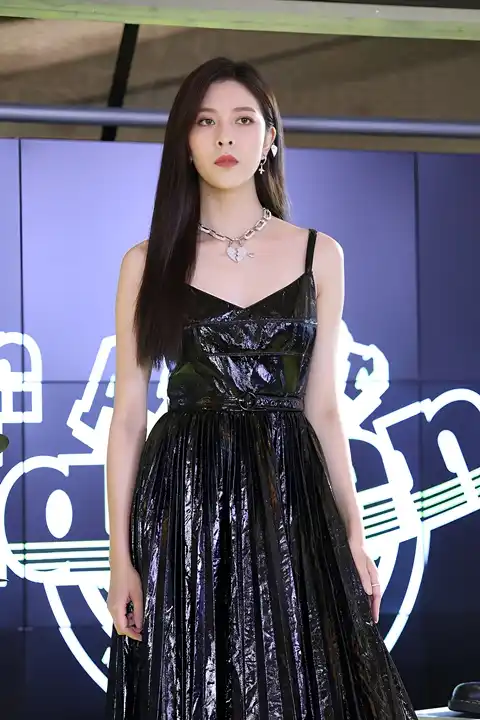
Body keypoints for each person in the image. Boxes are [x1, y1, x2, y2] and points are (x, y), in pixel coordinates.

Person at [105, 56, 417, 719]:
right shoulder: (146, 262)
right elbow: (129, 416)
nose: (226, 137)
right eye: (206, 122)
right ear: (184, 142)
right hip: (185, 501)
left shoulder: (319, 254)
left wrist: (354, 531)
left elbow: (323, 406)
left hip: (290, 493)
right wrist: (120, 559)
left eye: (244, 120)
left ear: (270, 138)